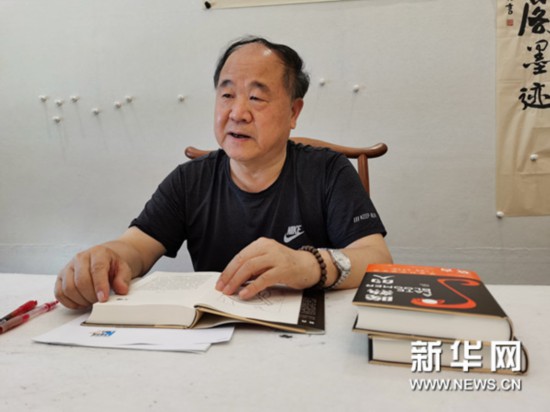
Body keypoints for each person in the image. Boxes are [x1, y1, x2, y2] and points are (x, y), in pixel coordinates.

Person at [55, 36, 392, 310]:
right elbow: (136, 246)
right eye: (227, 94)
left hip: (306, 339)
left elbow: (377, 260)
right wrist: (108, 258)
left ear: (293, 112)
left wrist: (308, 265)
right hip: (210, 342)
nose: (237, 113)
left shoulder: (328, 171)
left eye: (256, 97)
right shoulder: (189, 181)